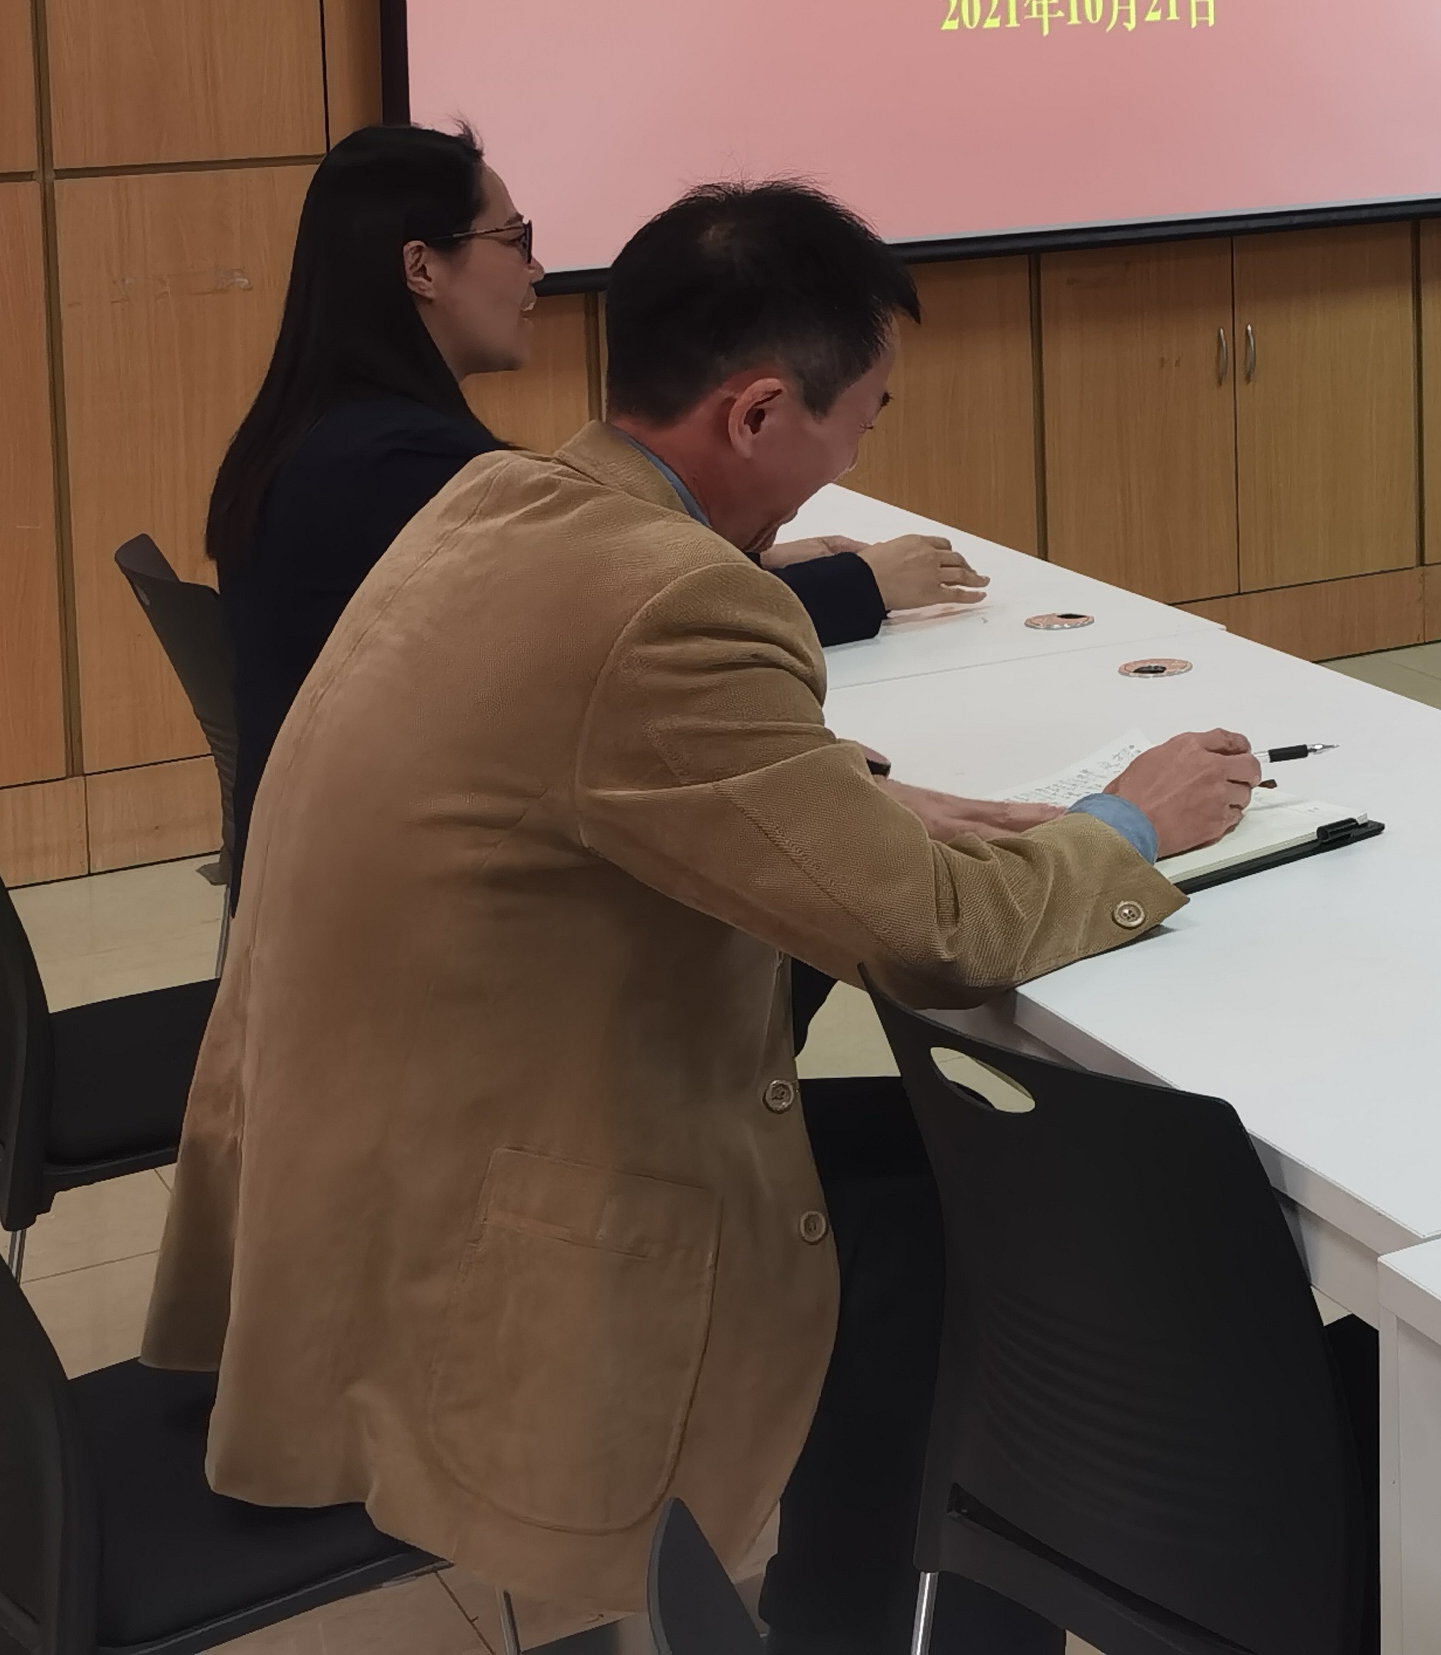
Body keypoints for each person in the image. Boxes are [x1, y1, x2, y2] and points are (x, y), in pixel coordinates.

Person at [147, 180, 1260, 1648]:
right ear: (756, 414)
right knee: (998, 1221)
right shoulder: (674, 600)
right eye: (860, 420)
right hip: (487, 1225)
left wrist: (837, 792)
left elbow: (586, 754)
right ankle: (860, 1625)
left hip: (355, 1161)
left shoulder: (503, 500)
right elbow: (937, 937)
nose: (855, 459)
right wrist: (1133, 822)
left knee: (936, 1172)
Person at [207, 126, 984, 848]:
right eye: (514, 240)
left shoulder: (328, 434)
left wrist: (762, 565)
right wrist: (861, 586)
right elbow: (635, 639)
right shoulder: (410, 472)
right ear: (421, 268)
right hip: (407, 870)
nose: (536, 269)